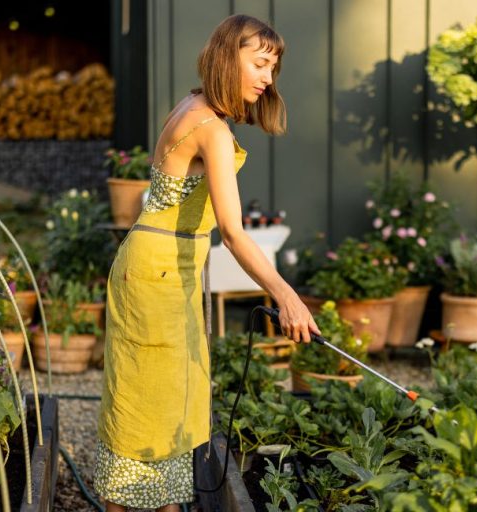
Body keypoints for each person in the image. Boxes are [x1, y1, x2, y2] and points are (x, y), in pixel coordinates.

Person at [94, 14, 319, 512]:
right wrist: (288, 295)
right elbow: (235, 234)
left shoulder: (191, 106)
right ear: (227, 58)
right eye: (259, 63)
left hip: (158, 265)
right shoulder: (210, 130)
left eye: (272, 68)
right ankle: (145, 502)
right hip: (159, 272)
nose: (267, 77)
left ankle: (155, 501)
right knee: (153, 404)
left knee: (157, 398)